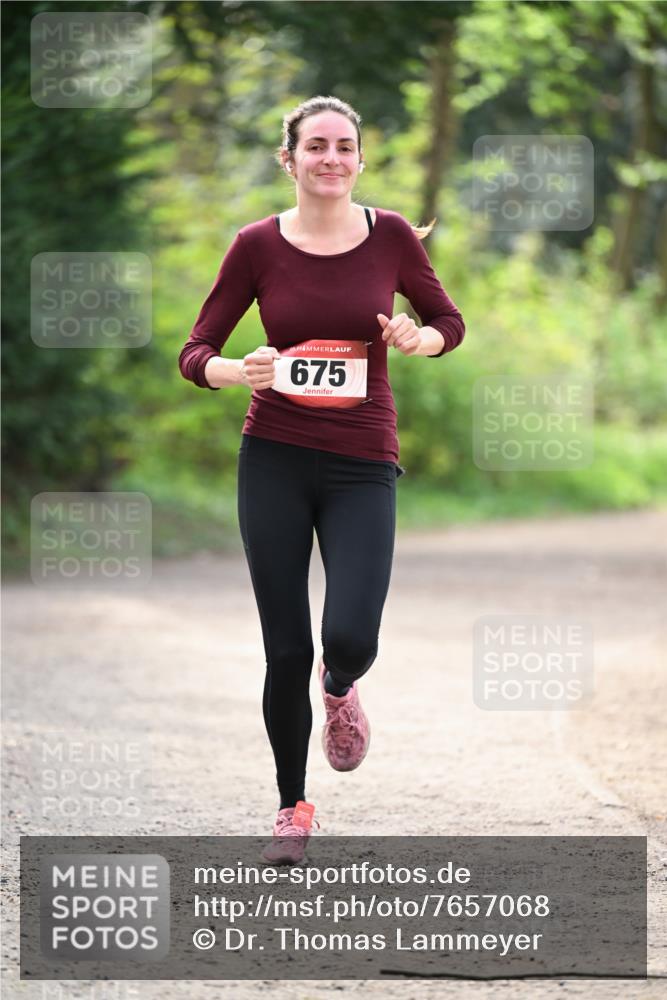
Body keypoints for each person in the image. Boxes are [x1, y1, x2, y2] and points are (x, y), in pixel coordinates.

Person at [178, 95, 465, 864]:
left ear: (360, 159)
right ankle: (291, 810)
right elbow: (196, 348)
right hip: (270, 456)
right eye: (315, 147)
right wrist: (240, 368)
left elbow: (450, 322)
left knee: (348, 636)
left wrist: (419, 338)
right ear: (290, 159)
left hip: (361, 463)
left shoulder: (393, 236)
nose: (330, 158)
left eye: (344, 146)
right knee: (283, 651)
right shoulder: (255, 246)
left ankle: (343, 688)